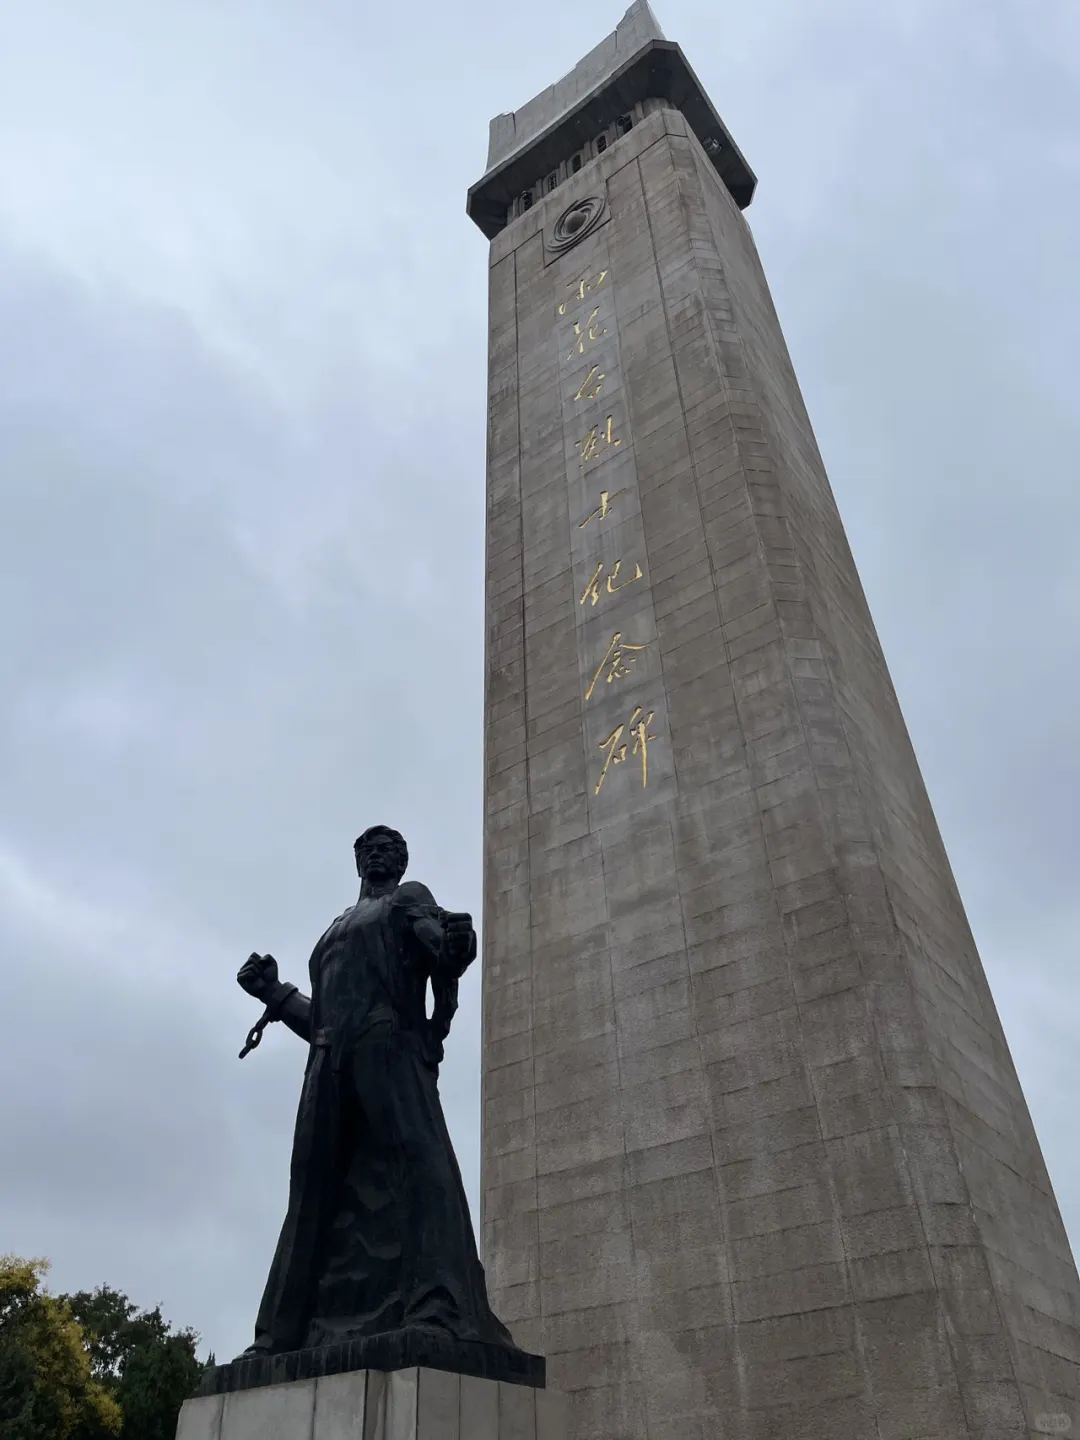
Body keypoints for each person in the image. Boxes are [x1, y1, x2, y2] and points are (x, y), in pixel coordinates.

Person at [235, 825, 514, 1357]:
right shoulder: (335, 929)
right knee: (311, 1191)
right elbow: (322, 1017)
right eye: (369, 847)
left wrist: (458, 946)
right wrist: (273, 992)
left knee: (419, 1165)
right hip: (327, 1059)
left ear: (402, 863)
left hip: (386, 1043)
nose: (379, 853)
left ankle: (437, 1307)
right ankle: (279, 1335)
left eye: (390, 848)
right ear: (357, 860)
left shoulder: (408, 900)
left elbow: (442, 949)